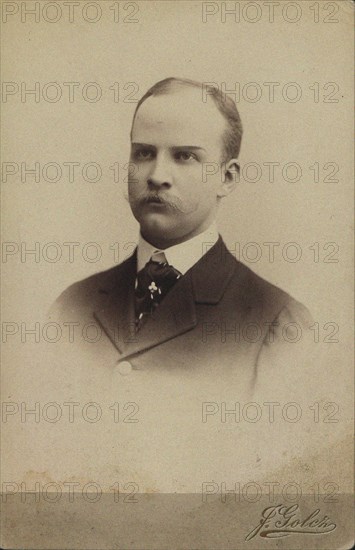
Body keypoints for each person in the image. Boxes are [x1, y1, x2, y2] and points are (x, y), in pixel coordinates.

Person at [49, 77, 312, 394]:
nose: (157, 176)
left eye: (185, 156)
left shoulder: (276, 322)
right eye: (144, 153)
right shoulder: (72, 306)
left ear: (226, 178)